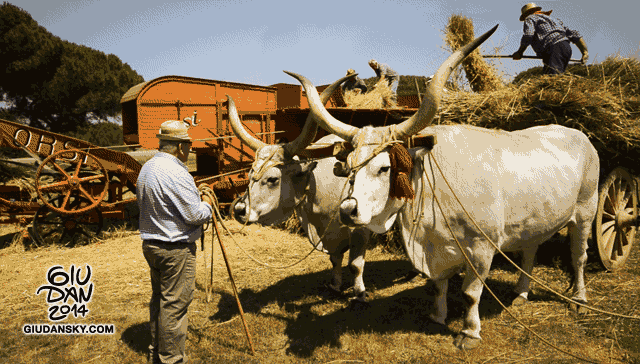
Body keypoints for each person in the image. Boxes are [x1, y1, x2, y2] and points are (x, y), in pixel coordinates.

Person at [137, 119, 214, 364]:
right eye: (188, 144)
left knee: (160, 299)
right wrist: (208, 204)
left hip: (152, 244)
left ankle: (155, 352)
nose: (190, 149)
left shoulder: (147, 168)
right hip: (175, 249)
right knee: (175, 306)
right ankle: (171, 360)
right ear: (181, 147)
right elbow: (194, 215)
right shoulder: (177, 172)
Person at [512, 3, 588, 74]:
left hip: (553, 49)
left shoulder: (530, 18)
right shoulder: (555, 20)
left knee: (553, 78)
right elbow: (575, 35)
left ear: (526, 14)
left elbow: (528, 35)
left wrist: (520, 52)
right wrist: (584, 52)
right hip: (565, 48)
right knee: (548, 77)